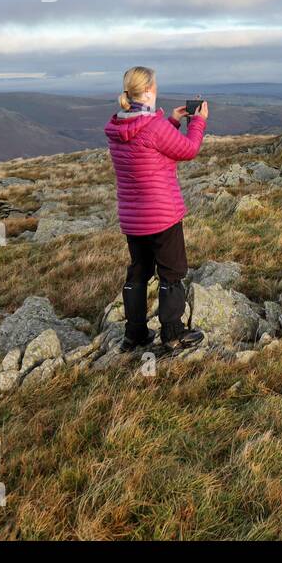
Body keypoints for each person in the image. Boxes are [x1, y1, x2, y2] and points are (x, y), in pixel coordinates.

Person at [104, 66, 209, 352]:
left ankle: (134, 334)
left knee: (138, 272)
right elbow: (187, 150)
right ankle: (173, 335)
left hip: (133, 219)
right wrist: (198, 122)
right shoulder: (153, 126)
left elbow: (150, 148)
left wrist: (172, 121)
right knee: (171, 273)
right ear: (149, 89)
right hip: (162, 216)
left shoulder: (118, 127)